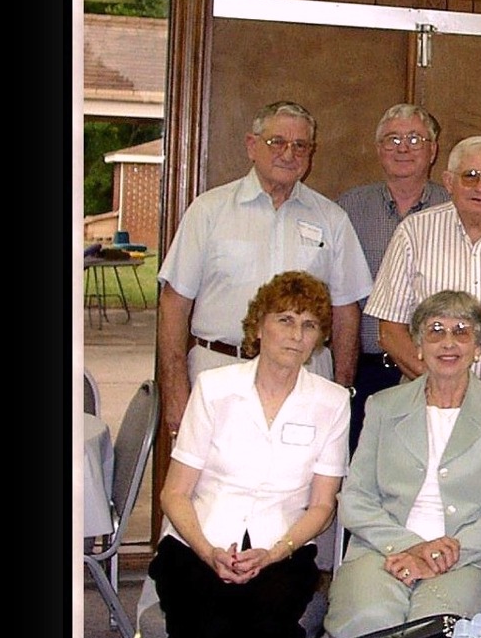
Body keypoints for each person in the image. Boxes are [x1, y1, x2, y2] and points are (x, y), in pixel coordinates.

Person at [149, 271, 350, 638]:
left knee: (265, 629)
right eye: (285, 320)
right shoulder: (213, 389)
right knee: (206, 626)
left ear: (319, 338)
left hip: (282, 550)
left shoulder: (331, 402)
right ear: (258, 326)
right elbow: (175, 493)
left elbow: (322, 506)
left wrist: (274, 553)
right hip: (197, 544)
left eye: (309, 325)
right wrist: (208, 552)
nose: (296, 335)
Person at [324, 290, 481, 638]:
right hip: (382, 549)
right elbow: (356, 500)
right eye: (435, 330)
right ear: (418, 345)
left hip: (470, 557)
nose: (448, 342)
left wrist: (436, 555)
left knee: (432, 630)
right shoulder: (383, 406)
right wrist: (408, 547)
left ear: (478, 347)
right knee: (369, 620)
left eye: (461, 331)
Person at [157, 99, 371, 438]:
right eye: (277, 142)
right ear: (251, 145)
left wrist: (342, 390)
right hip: (220, 374)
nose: (289, 153)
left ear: (311, 153)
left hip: (306, 381)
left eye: (300, 145)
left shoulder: (332, 220)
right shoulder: (209, 211)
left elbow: (346, 311)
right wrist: (174, 391)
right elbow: (174, 303)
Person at [364, 136, 481, 432]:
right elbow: (389, 329)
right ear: (449, 182)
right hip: (426, 395)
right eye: (470, 176)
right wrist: (438, 384)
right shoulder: (413, 233)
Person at [335, 104, 450, 449]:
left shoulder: (453, 207)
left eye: (415, 139)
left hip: (436, 369)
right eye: (392, 139)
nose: (403, 148)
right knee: (362, 465)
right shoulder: (348, 209)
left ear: (433, 150)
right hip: (366, 370)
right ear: (378, 149)